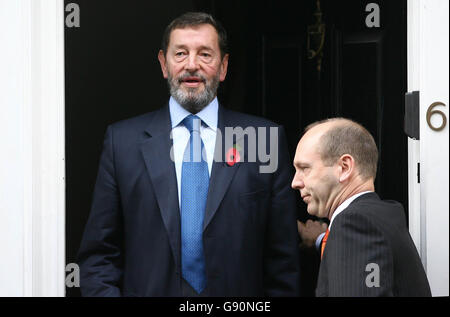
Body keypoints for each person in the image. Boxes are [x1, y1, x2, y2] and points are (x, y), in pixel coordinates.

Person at [77, 12, 300, 297]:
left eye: (205, 54)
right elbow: (99, 256)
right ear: (164, 64)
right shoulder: (122, 143)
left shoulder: (263, 139)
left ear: (223, 67)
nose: (192, 65)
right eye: (180, 53)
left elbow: (283, 263)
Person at [291, 118, 431, 296]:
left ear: (344, 167)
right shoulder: (381, 216)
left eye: (304, 168)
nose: (295, 182)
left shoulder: (354, 225)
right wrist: (321, 239)